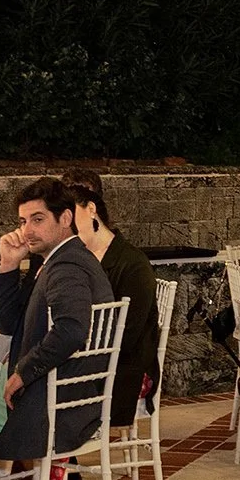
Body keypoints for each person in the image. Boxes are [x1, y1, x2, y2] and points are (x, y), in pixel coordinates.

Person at [0, 178, 117, 464]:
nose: (27, 230)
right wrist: (8, 264)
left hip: (61, 401)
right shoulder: (56, 260)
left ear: (65, 218)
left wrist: (23, 372)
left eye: (38, 219)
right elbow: (9, 325)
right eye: (23, 221)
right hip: (62, 390)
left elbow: (71, 330)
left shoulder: (66, 265)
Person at [62, 170, 161, 433]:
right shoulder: (70, 258)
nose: (68, 228)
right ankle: (55, 469)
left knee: (44, 389)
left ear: (91, 209)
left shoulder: (131, 263)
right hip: (82, 357)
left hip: (123, 368)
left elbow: (128, 336)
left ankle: (58, 470)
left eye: (73, 217)